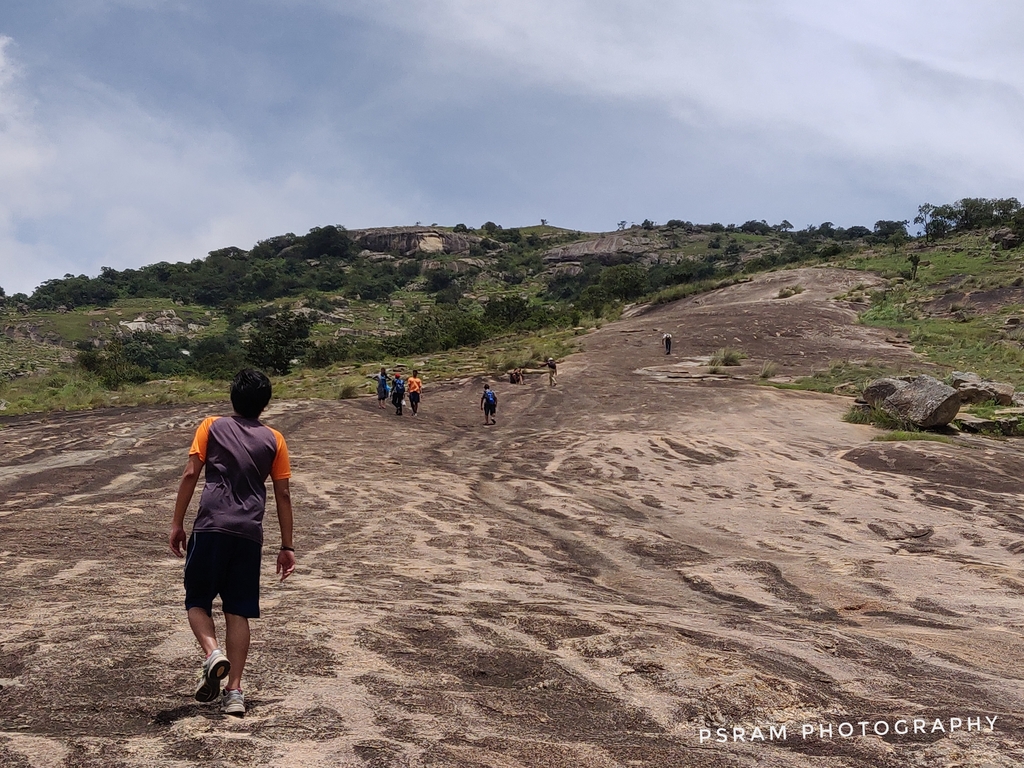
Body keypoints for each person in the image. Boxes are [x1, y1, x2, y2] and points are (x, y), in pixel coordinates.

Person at [169, 368, 295, 718]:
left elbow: (191, 473)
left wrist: (178, 523)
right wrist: (287, 546)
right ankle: (235, 692)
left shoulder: (210, 425)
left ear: (232, 397)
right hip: (248, 533)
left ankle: (212, 654)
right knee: (238, 610)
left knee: (197, 600)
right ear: (265, 404)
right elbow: (283, 494)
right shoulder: (275, 439)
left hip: (210, 526)